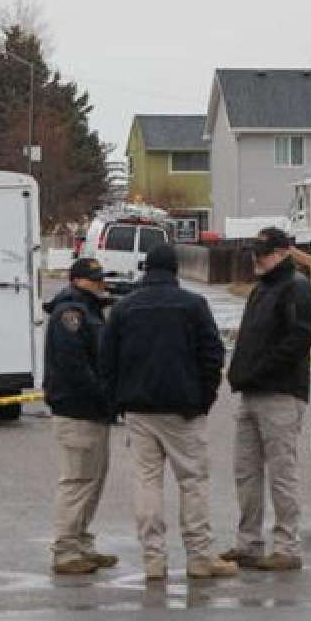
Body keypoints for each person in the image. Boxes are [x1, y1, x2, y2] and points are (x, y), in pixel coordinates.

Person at [100, 244, 233, 581]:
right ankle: (200, 556)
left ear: (146, 268)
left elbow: (107, 361)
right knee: (192, 482)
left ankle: (154, 560)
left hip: (138, 409)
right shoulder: (193, 305)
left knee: (147, 482)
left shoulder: (124, 308)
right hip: (184, 409)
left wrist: (118, 402)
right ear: (175, 270)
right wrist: (204, 397)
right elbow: (212, 355)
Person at [222, 227, 311, 572]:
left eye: (262, 253)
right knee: (245, 472)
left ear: (282, 253)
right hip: (251, 393)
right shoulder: (262, 288)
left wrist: (257, 371)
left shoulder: (297, 288)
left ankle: (287, 546)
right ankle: (248, 543)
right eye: (255, 253)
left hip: (280, 393)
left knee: (282, 473)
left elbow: (298, 340)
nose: (256, 259)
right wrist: (240, 373)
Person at [43, 257, 117, 575]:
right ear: (77, 280)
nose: (101, 283)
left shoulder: (89, 310)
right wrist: (102, 394)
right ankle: (66, 549)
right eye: (94, 279)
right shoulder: (70, 314)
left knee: (92, 481)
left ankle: (81, 542)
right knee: (77, 481)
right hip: (78, 408)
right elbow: (75, 367)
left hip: (93, 410)